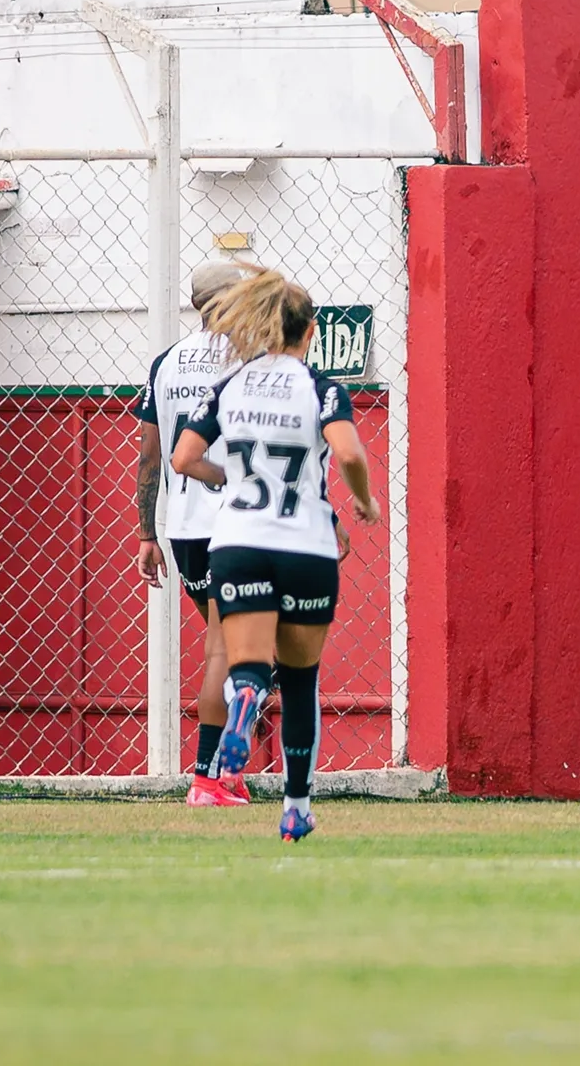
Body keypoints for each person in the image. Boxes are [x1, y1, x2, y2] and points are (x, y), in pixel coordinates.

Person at [171, 264, 382, 842]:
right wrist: (363, 501)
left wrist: (232, 476)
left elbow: (184, 458)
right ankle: (295, 806)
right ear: (309, 331)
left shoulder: (230, 386)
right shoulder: (320, 388)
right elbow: (351, 455)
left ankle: (243, 699)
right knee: (299, 680)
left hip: (236, 541)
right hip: (303, 543)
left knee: (245, 664)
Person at [131, 261, 246, 807]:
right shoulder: (252, 359)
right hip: (241, 521)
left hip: (185, 531)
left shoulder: (166, 362)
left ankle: (225, 771)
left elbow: (151, 452)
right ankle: (211, 776)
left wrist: (146, 533)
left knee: (232, 649)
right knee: (233, 654)